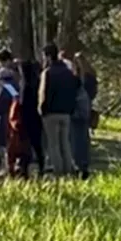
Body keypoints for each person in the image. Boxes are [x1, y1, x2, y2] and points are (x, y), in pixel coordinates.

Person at [39, 44, 78, 176]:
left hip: (51, 112)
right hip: (66, 112)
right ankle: (69, 170)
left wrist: (42, 109)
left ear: (48, 56)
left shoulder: (48, 73)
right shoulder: (68, 72)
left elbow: (44, 93)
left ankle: (58, 172)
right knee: (65, 143)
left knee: (53, 144)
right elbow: (74, 91)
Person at [68, 53, 94, 178]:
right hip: (85, 111)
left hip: (78, 113)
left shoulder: (78, 78)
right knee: (83, 139)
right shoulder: (90, 76)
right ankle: (83, 164)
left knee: (76, 140)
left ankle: (79, 164)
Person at [18, 60, 45, 176]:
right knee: (37, 142)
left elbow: (22, 102)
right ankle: (41, 164)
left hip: (26, 116)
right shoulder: (38, 82)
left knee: (25, 143)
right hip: (37, 116)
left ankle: (24, 167)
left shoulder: (24, 84)